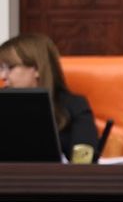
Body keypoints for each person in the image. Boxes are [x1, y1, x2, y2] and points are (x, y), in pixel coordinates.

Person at [0, 32, 97, 160]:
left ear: (37, 69)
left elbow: (84, 162)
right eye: (1, 68)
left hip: (54, 173)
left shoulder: (75, 106)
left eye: (10, 68)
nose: (3, 76)